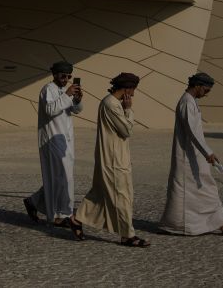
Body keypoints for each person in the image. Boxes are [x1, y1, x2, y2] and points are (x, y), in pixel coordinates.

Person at [159, 72, 223, 236]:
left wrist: (206, 152)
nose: (206, 94)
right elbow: (192, 131)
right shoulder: (186, 102)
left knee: (204, 188)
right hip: (188, 156)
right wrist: (208, 152)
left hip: (195, 154)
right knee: (194, 189)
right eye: (206, 90)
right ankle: (181, 225)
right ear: (198, 86)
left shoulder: (191, 101)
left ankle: (221, 222)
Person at [75, 72, 148, 247]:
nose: (133, 94)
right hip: (114, 158)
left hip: (115, 156)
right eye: (133, 90)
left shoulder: (112, 103)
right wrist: (129, 109)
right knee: (121, 197)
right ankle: (127, 235)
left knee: (100, 193)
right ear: (127, 89)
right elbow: (126, 130)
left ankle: (76, 218)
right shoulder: (111, 104)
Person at [23, 60, 84, 239]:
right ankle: (64, 214)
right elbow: (50, 109)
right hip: (51, 139)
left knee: (61, 177)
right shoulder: (47, 89)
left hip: (65, 139)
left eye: (69, 76)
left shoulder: (63, 91)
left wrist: (77, 100)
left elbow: (75, 110)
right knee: (63, 176)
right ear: (55, 74)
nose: (66, 79)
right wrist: (66, 95)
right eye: (63, 75)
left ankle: (34, 202)